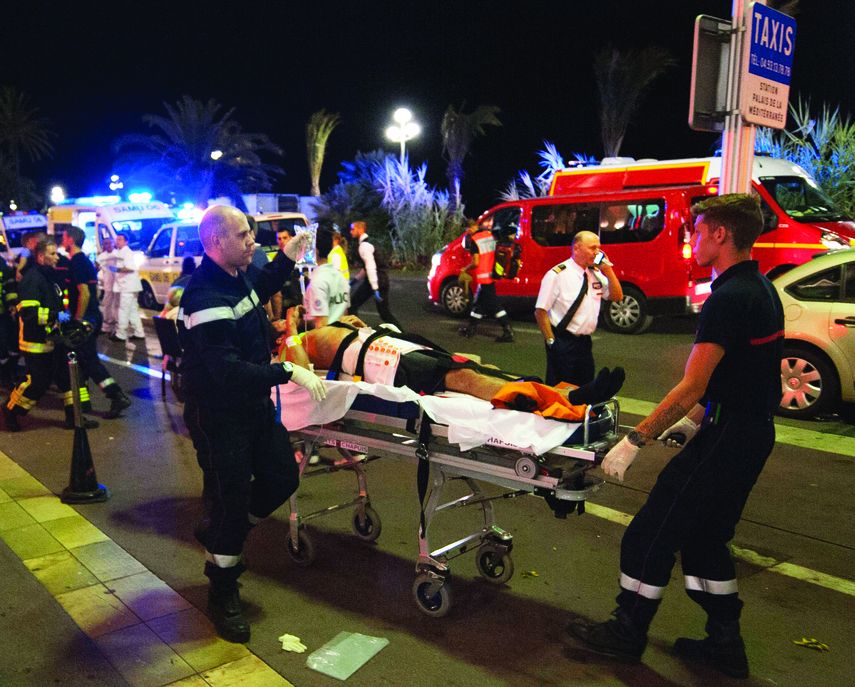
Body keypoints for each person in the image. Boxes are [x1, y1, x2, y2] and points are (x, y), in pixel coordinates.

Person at [565, 194, 784, 680]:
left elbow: (692, 385)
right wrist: (693, 421)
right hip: (748, 431)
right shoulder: (760, 288)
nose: (693, 239)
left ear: (720, 235)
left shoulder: (728, 297)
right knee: (707, 538)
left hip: (729, 435)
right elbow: (741, 373)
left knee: (652, 530)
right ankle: (726, 644)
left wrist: (635, 440)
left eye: (697, 230)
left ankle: (627, 631)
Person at [178, 205, 325, 643]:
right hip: (219, 416)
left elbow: (256, 292)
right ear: (216, 243)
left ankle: (228, 530)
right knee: (230, 496)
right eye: (244, 235)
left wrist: (288, 257)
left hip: (252, 408)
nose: (252, 242)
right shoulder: (203, 298)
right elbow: (227, 372)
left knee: (282, 476)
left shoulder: (233, 277)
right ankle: (222, 591)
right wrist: (287, 372)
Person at [281, 306, 624, 413]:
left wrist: (350, 322)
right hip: (390, 365)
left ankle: (566, 391)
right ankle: (564, 400)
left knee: (482, 368)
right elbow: (301, 372)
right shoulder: (294, 343)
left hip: (401, 349)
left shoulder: (321, 329)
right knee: (469, 380)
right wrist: (292, 331)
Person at [3, 238, 99, 431]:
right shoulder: (32, 279)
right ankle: (11, 411)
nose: (57, 257)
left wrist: (70, 322)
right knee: (38, 383)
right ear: (40, 256)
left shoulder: (50, 278)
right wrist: (59, 316)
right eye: (52, 253)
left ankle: (75, 418)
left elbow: (56, 307)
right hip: (36, 342)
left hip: (55, 339)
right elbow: (30, 314)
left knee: (70, 377)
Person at [535, 230, 623, 385]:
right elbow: (540, 311)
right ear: (576, 249)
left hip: (584, 342)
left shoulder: (595, 273)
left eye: (598, 248)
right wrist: (551, 342)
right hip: (562, 339)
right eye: (592, 248)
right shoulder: (557, 274)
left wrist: (608, 270)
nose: (597, 253)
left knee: (585, 388)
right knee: (560, 389)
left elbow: (617, 296)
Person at [62, 227, 132, 419]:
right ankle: (83, 402)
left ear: (71, 240)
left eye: (64, 237)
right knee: (82, 362)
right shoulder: (83, 261)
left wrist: (77, 319)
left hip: (86, 319)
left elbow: (83, 293)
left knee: (90, 362)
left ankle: (116, 395)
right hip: (92, 317)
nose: (62, 240)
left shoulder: (77, 262)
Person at [457, 218, 514, 343]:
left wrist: (465, 269)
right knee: (478, 305)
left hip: (484, 277)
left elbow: (476, 262)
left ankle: (508, 331)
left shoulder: (474, 240)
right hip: (492, 274)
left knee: (495, 306)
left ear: (469, 228)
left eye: (467, 231)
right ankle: (471, 329)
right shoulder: (489, 235)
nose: (467, 233)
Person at [348, 220, 399, 328]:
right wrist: (354, 281)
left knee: (352, 306)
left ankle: (357, 331)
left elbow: (371, 267)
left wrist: (375, 288)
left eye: (353, 229)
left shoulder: (364, 246)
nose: (351, 231)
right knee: (384, 313)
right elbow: (366, 268)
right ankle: (402, 334)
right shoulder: (369, 243)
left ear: (360, 229)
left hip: (376, 281)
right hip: (382, 279)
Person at [304, 229, 349, 328]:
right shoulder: (339, 276)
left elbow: (321, 324)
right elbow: (345, 313)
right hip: (341, 334)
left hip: (326, 339)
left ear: (315, 250)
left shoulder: (318, 281)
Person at [108, 233, 145, 342]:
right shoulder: (121, 252)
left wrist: (116, 269)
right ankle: (139, 332)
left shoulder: (127, 252)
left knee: (123, 309)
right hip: (129, 286)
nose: (117, 241)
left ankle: (121, 334)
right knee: (132, 310)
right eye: (117, 239)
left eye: (120, 239)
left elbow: (130, 268)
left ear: (126, 241)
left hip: (127, 287)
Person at [96, 237, 119, 336]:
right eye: (106, 243)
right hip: (108, 285)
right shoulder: (101, 257)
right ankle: (106, 327)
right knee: (107, 305)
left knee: (117, 306)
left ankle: (117, 328)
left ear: (113, 244)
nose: (108, 245)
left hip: (118, 286)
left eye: (110, 243)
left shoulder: (118, 254)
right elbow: (97, 267)